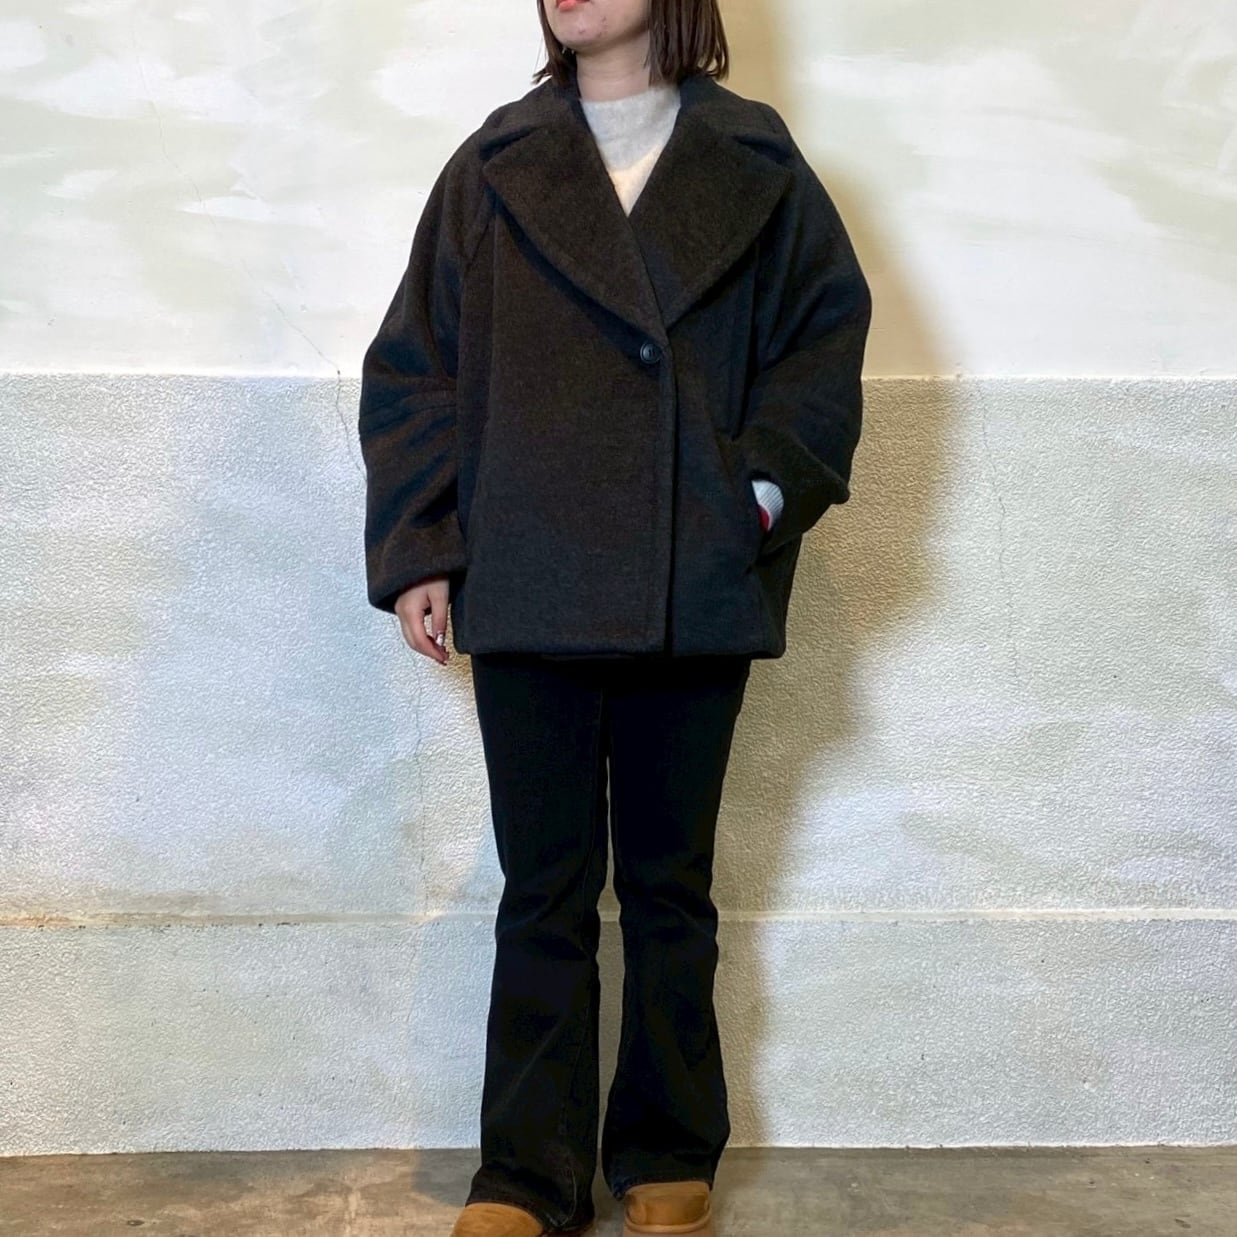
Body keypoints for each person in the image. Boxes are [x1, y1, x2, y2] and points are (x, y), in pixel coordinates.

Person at [357, 2, 871, 1234]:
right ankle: (526, 1173)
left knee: (667, 885)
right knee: (542, 887)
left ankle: (664, 1149)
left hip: (690, 579)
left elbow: (820, 349)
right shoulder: (494, 164)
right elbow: (416, 364)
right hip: (528, 572)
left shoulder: (755, 161)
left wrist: (751, 498)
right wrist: (424, 541)